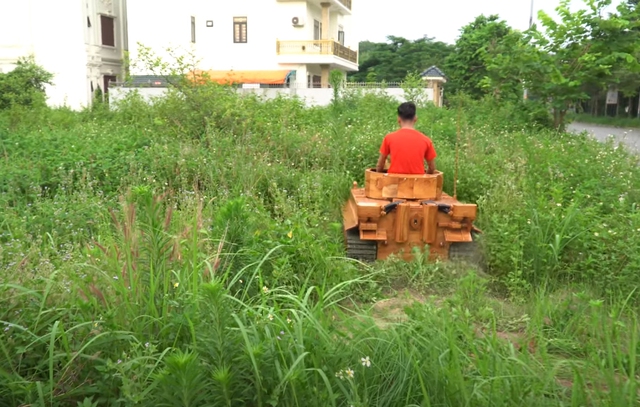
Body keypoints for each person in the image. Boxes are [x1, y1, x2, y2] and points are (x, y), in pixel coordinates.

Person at [375, 102, 437, 174]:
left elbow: (380, 165)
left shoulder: (389, 138)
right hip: (417, 183)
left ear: (398, 119)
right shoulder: (426, 140)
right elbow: (432, 168)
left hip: (393, 183)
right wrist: (425, 179)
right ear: (415, 118)